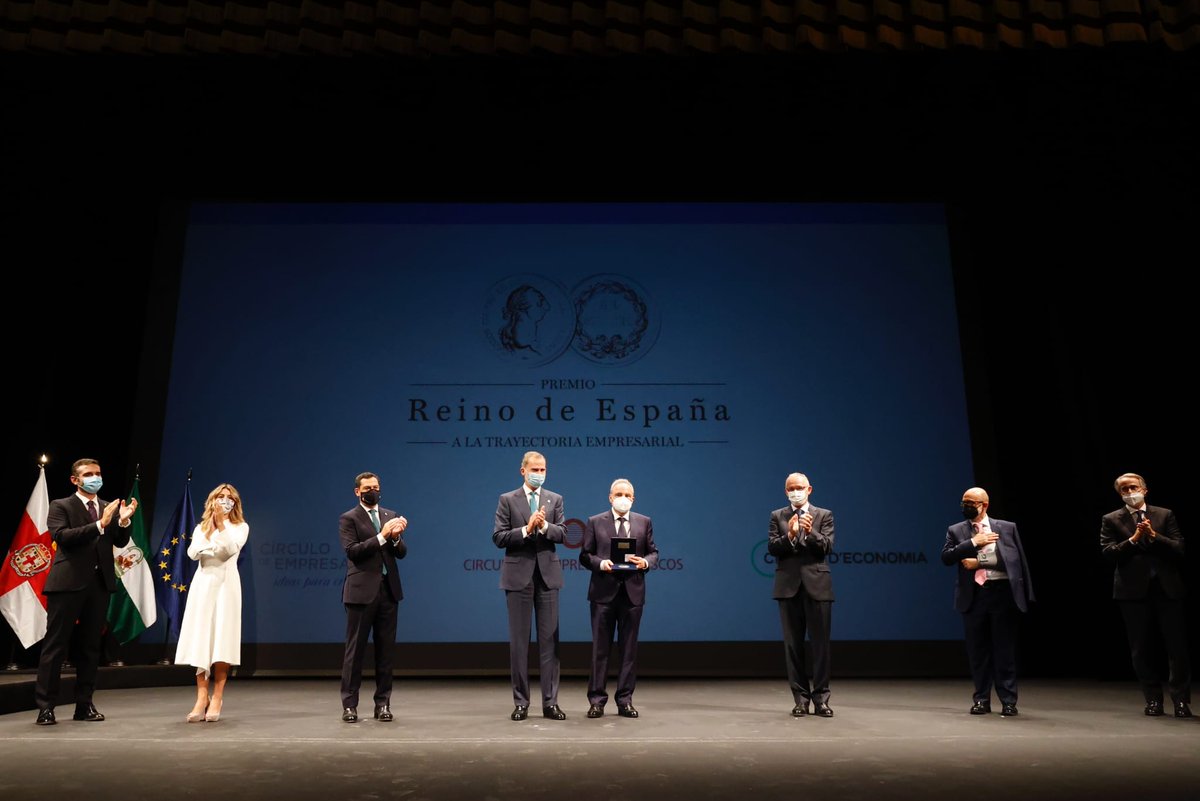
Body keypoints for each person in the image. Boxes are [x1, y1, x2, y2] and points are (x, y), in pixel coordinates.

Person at [34, 458, 137, 725]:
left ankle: (84, 705)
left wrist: (122, 522)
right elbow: (62, 536)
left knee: (91, 647)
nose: (95, 478)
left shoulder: (107, 507)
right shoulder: (61, 505)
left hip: (99, 584)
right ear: (75, 480)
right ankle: (46, 707)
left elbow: (119, 540)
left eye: (98, 473)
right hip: (67, 583)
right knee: (56, 646)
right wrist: (100, 525)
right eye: (89, 474)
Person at [1100, 472, 1191, 718]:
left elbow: (1179, 548)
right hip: (1132, 591)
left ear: (1144, 489)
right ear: (1119, 493)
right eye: (1125, 489)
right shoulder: (1111, 519)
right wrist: (1133, 539)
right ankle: (1153, 700)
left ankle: (1181, 701)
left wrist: (1153, 535)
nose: (1130, 492)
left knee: (1176, 647)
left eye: (1134, 487)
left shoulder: (1164, 514)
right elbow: (1108, 552)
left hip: (1167, 589)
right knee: (1141, 648)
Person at [941, 487, 1034, 716]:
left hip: (1002, 593)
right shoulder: (956, 530)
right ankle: (981, 699)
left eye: (971, 502)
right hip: (975, 596)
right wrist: (974, 542)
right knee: (978, 651)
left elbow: (1016, 561)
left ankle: (1009, 701)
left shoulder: (1007, 527)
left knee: (1004, 650)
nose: (966, 506)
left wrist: (980, 562)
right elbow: (947, 557)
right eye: (964, 502)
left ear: (984, 504)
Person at [492, 450, 567, 721]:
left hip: (547, 578)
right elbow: (499, 537)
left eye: (543, 469)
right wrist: (526, 529)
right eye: (535, 469)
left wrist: (544, 526)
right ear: (523, 471)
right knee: (520, 643)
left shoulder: (554, 499)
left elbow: (562, 533)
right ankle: (521, 702)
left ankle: (550, 703)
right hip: (518, 578)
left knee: (550, 643)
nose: (539, 473)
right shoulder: (507, 500)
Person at [579, 478, 658, 719]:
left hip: (632, 594)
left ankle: (625, 700)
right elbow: (585, 555)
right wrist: (600, 563)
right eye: (618, 494)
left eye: (627, 495)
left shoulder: (644, 522)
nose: (623, 498)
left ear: (633, 499)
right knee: (600, 650)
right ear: (610, 497)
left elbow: (653, 552)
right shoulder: (595, 522)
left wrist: (645, 562)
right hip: (603, 593)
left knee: (629, 650)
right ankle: (597, 701)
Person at [174, 483, 249, 723]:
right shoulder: (200, 527)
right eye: (220, 497)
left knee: (221, 640)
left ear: (235, 503)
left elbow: (227, 550)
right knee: (202, 640)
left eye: (229, 498)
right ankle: (201, 697)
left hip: (227, 585)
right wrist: (210, 537)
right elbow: (194, 553)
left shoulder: (240, 527)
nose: (225, 500)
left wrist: (218, 529)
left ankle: (217, 697)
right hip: (203, 585)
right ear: (212, 500)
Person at [339, 471, 408, 723]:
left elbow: (400, 553)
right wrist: (382, 536)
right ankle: (349, 704)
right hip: (360, 593)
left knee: (385, 652)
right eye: (367, 488)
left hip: (388, 590)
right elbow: (353, 552)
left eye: (376, 487)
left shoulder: (389, 515)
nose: (373, 491)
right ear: (358, 491)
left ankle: (383, 704)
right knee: (355, 651)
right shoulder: (349, 518)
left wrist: (397, 536)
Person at [766, 472, 835, 718]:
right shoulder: (778, 516)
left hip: (818, 586)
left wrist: (811, 532)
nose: (795, 491)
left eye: (800, 487)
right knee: (793, 646)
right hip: (788, 586)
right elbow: (773, 547)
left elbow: (826, 546)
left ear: (809, 490)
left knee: (820, 646)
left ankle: (821, 699)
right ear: (786, 492)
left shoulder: (823, 515)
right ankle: (800, 699)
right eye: (791, 488)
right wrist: (791, 535)